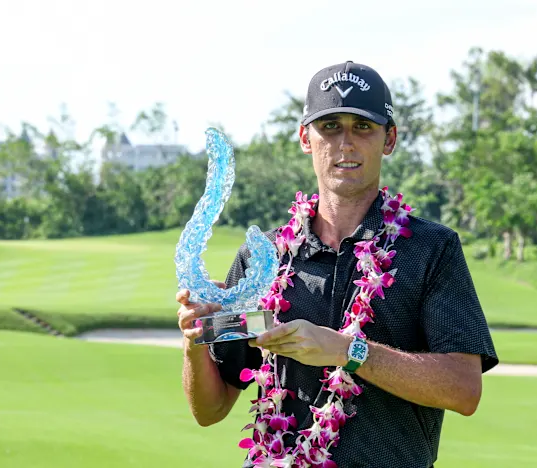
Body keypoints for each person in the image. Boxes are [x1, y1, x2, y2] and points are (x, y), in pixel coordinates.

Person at [177, 60, 499, 468]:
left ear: (389, 139)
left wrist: (349, 351)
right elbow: (211, 409)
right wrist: (194, 338)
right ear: (305, 138)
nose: (345, 143)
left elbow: (463, 390)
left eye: (362, 126)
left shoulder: (432, 250)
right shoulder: (263, 258)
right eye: (329, 127)